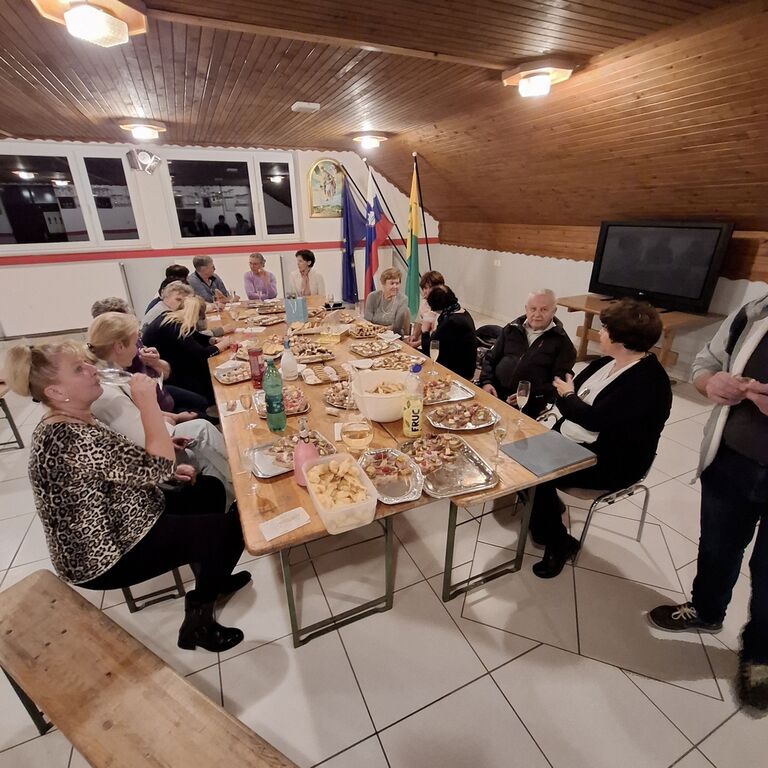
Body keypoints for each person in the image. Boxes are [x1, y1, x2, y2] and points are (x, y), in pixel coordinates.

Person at [4, 342, 247, 652]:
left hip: (131, 514)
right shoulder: (69, 437)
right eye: (78, 369)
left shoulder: (70, 418)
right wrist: (147, 403)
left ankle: (213, 576)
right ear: (55, 392)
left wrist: (167, 469)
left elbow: (122, 465)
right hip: (106, 554)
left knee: (209, 490)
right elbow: (155, 465)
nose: (91, 369)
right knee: (232, 530)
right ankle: (197, 621)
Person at [649, 294, 768, 712]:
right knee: (717, 548)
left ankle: (760, 658)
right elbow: (705, 362)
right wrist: (709, 382)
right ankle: (706, 610)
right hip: (731, 462)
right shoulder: (755, 311)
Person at [528, 299, 672, 579]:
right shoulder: (605, 363)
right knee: (516, 453)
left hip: (611, 460)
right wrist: (568, 398)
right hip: (574, 440)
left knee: (532, 472)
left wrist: (568, 397)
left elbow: (591, 417)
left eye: (604, 329)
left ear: (620, 339)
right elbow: (571, 397)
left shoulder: (647, 382)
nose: (600, 333)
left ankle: (559, 541)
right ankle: (545, 512)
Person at [87, 312, 234, 504]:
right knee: (202, 433)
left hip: (157, 435)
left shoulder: (113, 374)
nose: (137, 348)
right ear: (119, 347)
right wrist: (167, 419)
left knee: (202, 428)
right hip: (152, 459)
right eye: (134, 343)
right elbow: (143, 440)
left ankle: (232, 487)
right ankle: (236, 489)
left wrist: (171, 417)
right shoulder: (108, 394)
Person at [91, 293, 209, 420]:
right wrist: (176, 417)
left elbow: (165, 373)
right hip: (157, 408)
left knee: (202, 404)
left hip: (161, 393)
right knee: (203, 416)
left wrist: (155, 362)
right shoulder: (111, 373)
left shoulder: (132, 343)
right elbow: (138, 411)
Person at [478, 289, 576, 417]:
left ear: (554, 311)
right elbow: (490, 358)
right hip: (494, 392)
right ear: (526, 309)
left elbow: (558, 383)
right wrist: (486, 382)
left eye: (544, 309)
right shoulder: (511, 329)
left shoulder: (563, 343)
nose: (537, 314)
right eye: (533, 309)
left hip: (529, 403)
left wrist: (529, 395)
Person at [142, 295, 231, 405]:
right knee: (211, 370)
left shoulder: (169, 317)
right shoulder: (174, 327)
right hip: (169, 374)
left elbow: (194, 336)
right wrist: (222, 345)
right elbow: (201, 356)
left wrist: (213, 340)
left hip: (168, 364)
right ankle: (218, 402)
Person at [425, 285, 477, 380]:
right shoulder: (462, 312)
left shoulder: (452, 322)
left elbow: (429, 349)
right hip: (464, 367)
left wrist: (425, 330)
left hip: (457, 373)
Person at [364, 267, 411, 337]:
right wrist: (376, 331)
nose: (395, 286)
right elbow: (367, 321)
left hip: (394, 336)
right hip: (372, 335)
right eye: (392, 283)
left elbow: (397, 327)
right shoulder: (372, 297)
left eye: (397, 283)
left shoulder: (403, 299)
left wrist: (379, 329)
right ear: (384, 284)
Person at [407, 270, 444, 353]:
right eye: (424, 288)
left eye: (429, 288)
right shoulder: (424, 302)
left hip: (438, 348)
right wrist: (414, 336)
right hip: (424, 344)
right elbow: (419, 321)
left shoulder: (444, 306)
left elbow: (437, 335)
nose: (426, 291)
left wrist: (419, 343)